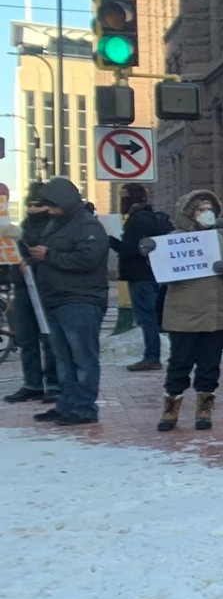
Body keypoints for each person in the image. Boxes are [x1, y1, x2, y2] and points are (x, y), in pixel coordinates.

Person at [25, 176, 111, 426]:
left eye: (52, 205)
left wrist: (49, 255)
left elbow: (87, 260)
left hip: (80, 301)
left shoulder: (88, 226)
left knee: (82, 357)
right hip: (56, 300)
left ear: (64, 201)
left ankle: (84, 408)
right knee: (62, 358)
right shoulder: (57, 223)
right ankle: (67, 404)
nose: (50, 210)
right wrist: (32, 260)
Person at [152, 189, 223, 431]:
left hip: (214, 312)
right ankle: (171, 407)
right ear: (190, 213)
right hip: (184, 313)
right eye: (202, 209)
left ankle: (205, 408)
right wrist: (150, 253)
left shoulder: (218, 239)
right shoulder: (174, 239)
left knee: (210, 364)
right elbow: (163, 273)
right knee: (180, 362)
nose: (207, 213)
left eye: (210, 208)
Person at [2, 187, 62, 406]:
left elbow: (52, 253)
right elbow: (13, 255)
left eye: (38, 205)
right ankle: (32, 383)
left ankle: (54, 382)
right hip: (22, 289)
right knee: (26, 338)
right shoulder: (24, 226)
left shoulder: (55, 227)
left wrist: (32, 262)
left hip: (46, 288)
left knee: (49, 338)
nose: (32, 209)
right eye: (30, 205)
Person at [113, 182, 172, 371]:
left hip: (140, 275)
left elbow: (131, 249)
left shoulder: (137, 219)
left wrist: (112, 241)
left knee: (147, 318)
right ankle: (154, 354)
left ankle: (151, 356)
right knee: (153, 316)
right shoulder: (154, 218)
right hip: (156, 273)